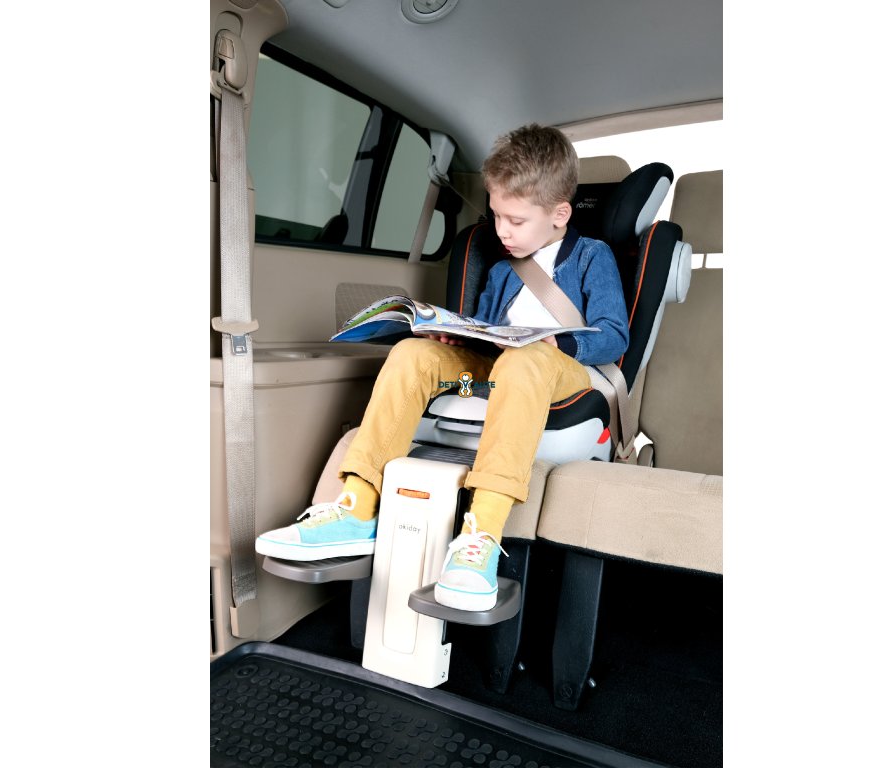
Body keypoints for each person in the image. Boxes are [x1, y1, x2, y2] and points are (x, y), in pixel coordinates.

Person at [255, 124, 629, 611]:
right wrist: (458, 335)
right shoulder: (502, 269)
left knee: (526, 360)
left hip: (563, 374)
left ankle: (480, 538)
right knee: (412, 354)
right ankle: (358, 507)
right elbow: (488, 333)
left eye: (516, 220)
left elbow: (614, 334)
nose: (502, 231)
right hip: (497, 369)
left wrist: (557, 340)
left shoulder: (592, 257)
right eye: (496, 216)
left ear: (560, 214)